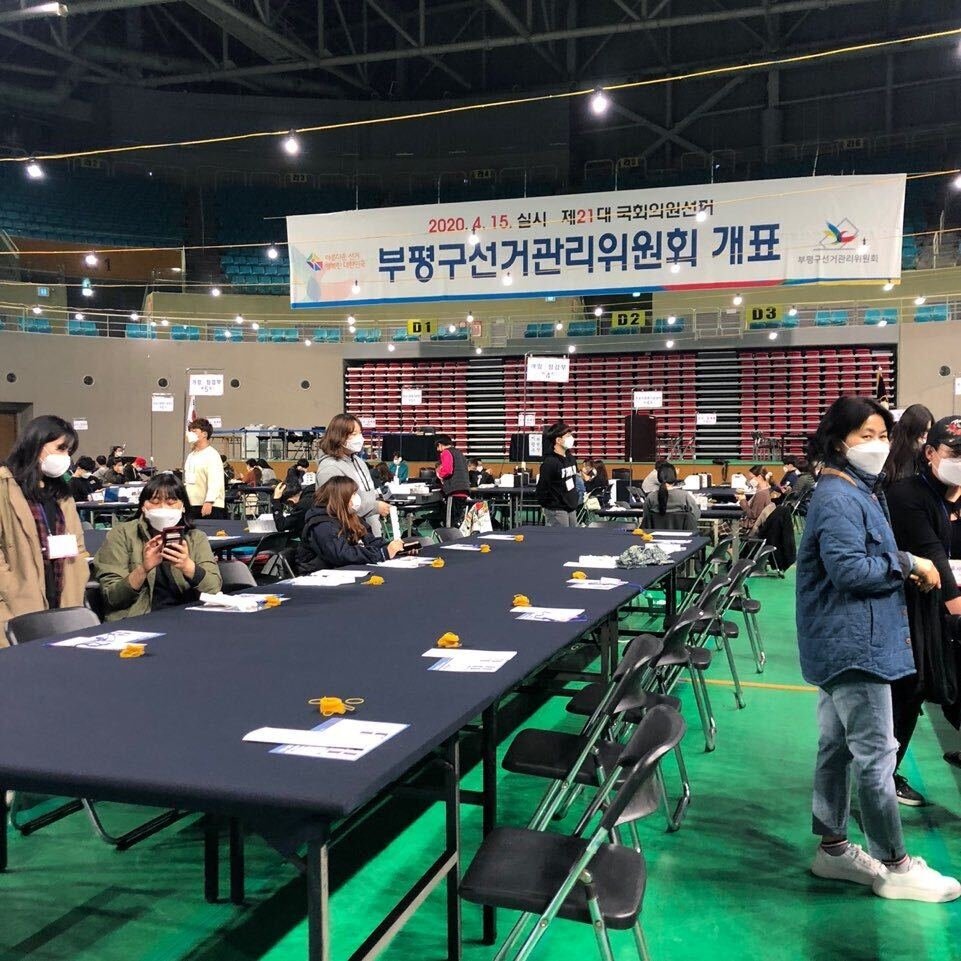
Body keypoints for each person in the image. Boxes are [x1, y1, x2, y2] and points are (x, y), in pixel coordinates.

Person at [796, 395, 959, 902]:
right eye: (864, 435)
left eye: (882, 434)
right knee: (876, 755)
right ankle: (895, 862)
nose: (877, 444)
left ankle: (835, 848)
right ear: (838, 440)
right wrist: (909, 565)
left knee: (837, 746)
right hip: (855, 643)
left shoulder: (858, 489)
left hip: (845, 639)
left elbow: (871, 553)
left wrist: (904, 558)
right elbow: (850, 570)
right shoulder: (839, 497)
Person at [887, 415, 961, 805]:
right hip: (910, 614)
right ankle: (886, 776)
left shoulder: (951, 495)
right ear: (930, 452)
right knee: (907, 695)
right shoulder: (908, 497)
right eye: (955, 452)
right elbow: (935, 564)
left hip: (938, 612)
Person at [0, 415, 89, 640]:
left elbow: (78, 544)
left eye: (69, 451)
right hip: (17, 602)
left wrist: (79, 576)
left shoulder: (62, 492)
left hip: (63, 597)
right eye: (60, 448)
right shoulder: (5, 486)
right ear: (36, 444)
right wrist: (10, 587)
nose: (65, 457)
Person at [94, 473, 221, 621]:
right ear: (143, 506)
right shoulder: (121, 535)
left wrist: (187, 566)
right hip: (139, 621)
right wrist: (144, 568)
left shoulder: (195, 538)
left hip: (188, 619)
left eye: (171, 501)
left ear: (183, 506)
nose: (163, 508)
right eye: (155, 501)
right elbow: (112, 597)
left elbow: (214, 589)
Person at [294, 477, 404, 573]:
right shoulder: (322, 524)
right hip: (320, 575)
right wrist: (381, 553)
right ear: (341, 498)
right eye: (353, 494)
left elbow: (369, 540)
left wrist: (396, 547)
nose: (357, 498)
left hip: (346, 570)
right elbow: (341, 554)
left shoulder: (351, 516)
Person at [315, 413, 390, 537]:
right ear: (339, 436)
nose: (359, 438)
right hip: (346, 534)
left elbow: (367, 493)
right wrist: (375, 507)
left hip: (368, 530)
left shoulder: (359, 462)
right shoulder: (329, 468)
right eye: (353, 434)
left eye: (360, 433)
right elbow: (339, 506)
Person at [535, 421, 578, 527]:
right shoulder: (550, 462)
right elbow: (542, 487)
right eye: (568, 436)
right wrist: (550, 505)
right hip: (556, 509)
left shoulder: (571, 459)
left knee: (574, 538)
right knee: (561, 540)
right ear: (558, 440)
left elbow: (573, 481)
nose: (571, 438)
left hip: (571, 507)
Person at [184, 418, 226, 519]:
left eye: (194, 431)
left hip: (209, 505)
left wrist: (209, 501)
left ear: (204, 434)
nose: (190, 434)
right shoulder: (191, 455)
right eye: (190, 431)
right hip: (192, 504)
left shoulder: (212, 455)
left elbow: (215, 481)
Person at [884, 403, 934, 486]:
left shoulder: (923, 455)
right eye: (922, 432)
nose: (925, 436)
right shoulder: (891, 453)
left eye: (928, 431)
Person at [641, 463, 701, 529]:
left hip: (655, 537)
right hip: (682, 537)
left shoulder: (651, 497)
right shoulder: (685, 496)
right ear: (675, 477)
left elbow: (646, 518)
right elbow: (696, 515)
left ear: (658, 478)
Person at [435, 433, 470, 528]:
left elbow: (447, 470)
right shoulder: (459, 453)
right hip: (464, 489)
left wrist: (439, 474)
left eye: (437, 447)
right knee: (457, 521)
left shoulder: (446, 452)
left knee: (450, 524)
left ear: (440, 445)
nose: (438, 450)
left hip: (454, 491)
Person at [737, 464, 773, 532]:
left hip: (750, 527)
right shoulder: (765, 490)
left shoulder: (761, 494)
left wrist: (742, 500)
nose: (750, 481)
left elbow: (753, 515)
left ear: (759, 477)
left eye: (751, 478)